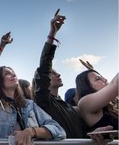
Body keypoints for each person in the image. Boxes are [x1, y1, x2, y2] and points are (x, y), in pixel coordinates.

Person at [0, 31, 66, 144]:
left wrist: (31, 132)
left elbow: (59, 130)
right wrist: (2, 46)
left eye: (13, 73)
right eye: (7, 73)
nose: (13, 74)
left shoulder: (29, 105)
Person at [32, 9, 89, 138]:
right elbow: (45, 66)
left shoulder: (68, 107)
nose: (58, 75)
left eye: (57, 73)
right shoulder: (43, 102)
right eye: (53, 73)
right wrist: (52, 33)